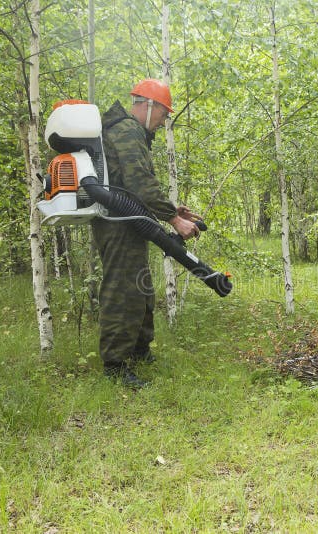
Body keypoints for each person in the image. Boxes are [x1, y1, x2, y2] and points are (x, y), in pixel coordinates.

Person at [92, 78, 200, 388]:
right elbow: (139, 183)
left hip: (129, 220)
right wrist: (172, 220)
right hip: (116, 223)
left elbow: (135, 188)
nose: (164, 121)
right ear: (149, 105)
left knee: (139, 287)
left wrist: (171, 212)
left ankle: (139, 352)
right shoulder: (126, 130)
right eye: (164, 114)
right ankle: (115, 365)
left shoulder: (132, 132)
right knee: (122, 289)